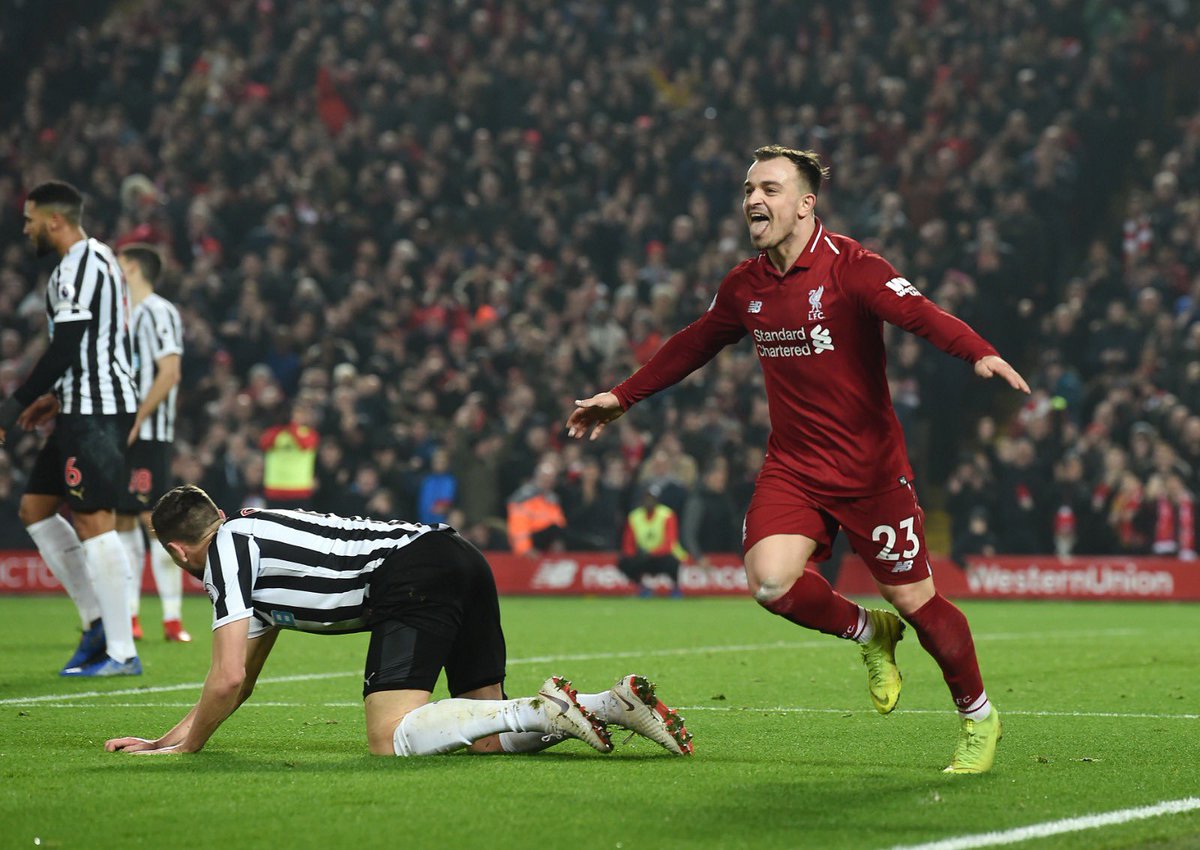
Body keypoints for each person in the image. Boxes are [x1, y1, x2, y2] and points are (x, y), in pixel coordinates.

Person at [567, 146, 1030, 774]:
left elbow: (918, 313)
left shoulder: (853, 267)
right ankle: (868, 632)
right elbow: (694, 342)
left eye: (770, 189)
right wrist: (622, 396)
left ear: (806, 204)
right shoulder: (744, 285)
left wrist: (977, 351)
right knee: (770, 583)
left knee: (917, 602)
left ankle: (978, 717)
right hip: (795, 467)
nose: (753, 200)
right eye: (749, 189)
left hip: (870, 472)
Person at [104, 485, 693, 757]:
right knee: (487, 737)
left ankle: (542, 709)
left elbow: (227, 675)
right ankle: (611, 704)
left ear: (176, 551)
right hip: (458, 556)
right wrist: (166, 739)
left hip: (414, 574)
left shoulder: (225, 554)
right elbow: (238, 684)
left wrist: (185, 752)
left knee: (389, 738)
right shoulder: (254, 540)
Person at [0, 181, 141, 676]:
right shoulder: (93, 260)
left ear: (54, 220)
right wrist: (55, 397)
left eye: (30, 219)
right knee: (36, 509)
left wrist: (11, 406)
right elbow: (92, 344)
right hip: (79, 403)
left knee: (94, 519)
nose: (25, 229)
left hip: (98, 408)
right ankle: (98, 622)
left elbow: (67, 346)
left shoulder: (80, 265)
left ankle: (121, 651)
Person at [113, 243, 191, 643]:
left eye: (118, 264)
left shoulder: (159, 311)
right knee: (122, 519)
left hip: (147, 433)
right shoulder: (121, 314)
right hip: (122, 432)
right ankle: (130, 616)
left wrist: (137, 419)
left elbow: (170, 372)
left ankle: (172, 619)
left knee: (153, 521)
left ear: (133, 268)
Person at [618, 483, 689, 597]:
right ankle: (642, 588)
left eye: (652, 499)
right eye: (647, 498)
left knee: (672, 562)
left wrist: (651, 553)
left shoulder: (667, 514)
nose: (649, 502)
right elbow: (628, 545)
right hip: (645, 556)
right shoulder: (634, 516)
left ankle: (676, 587)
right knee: (624, 563)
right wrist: (636, 556)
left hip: (664, 555)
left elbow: (669, 543)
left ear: (657, 500)